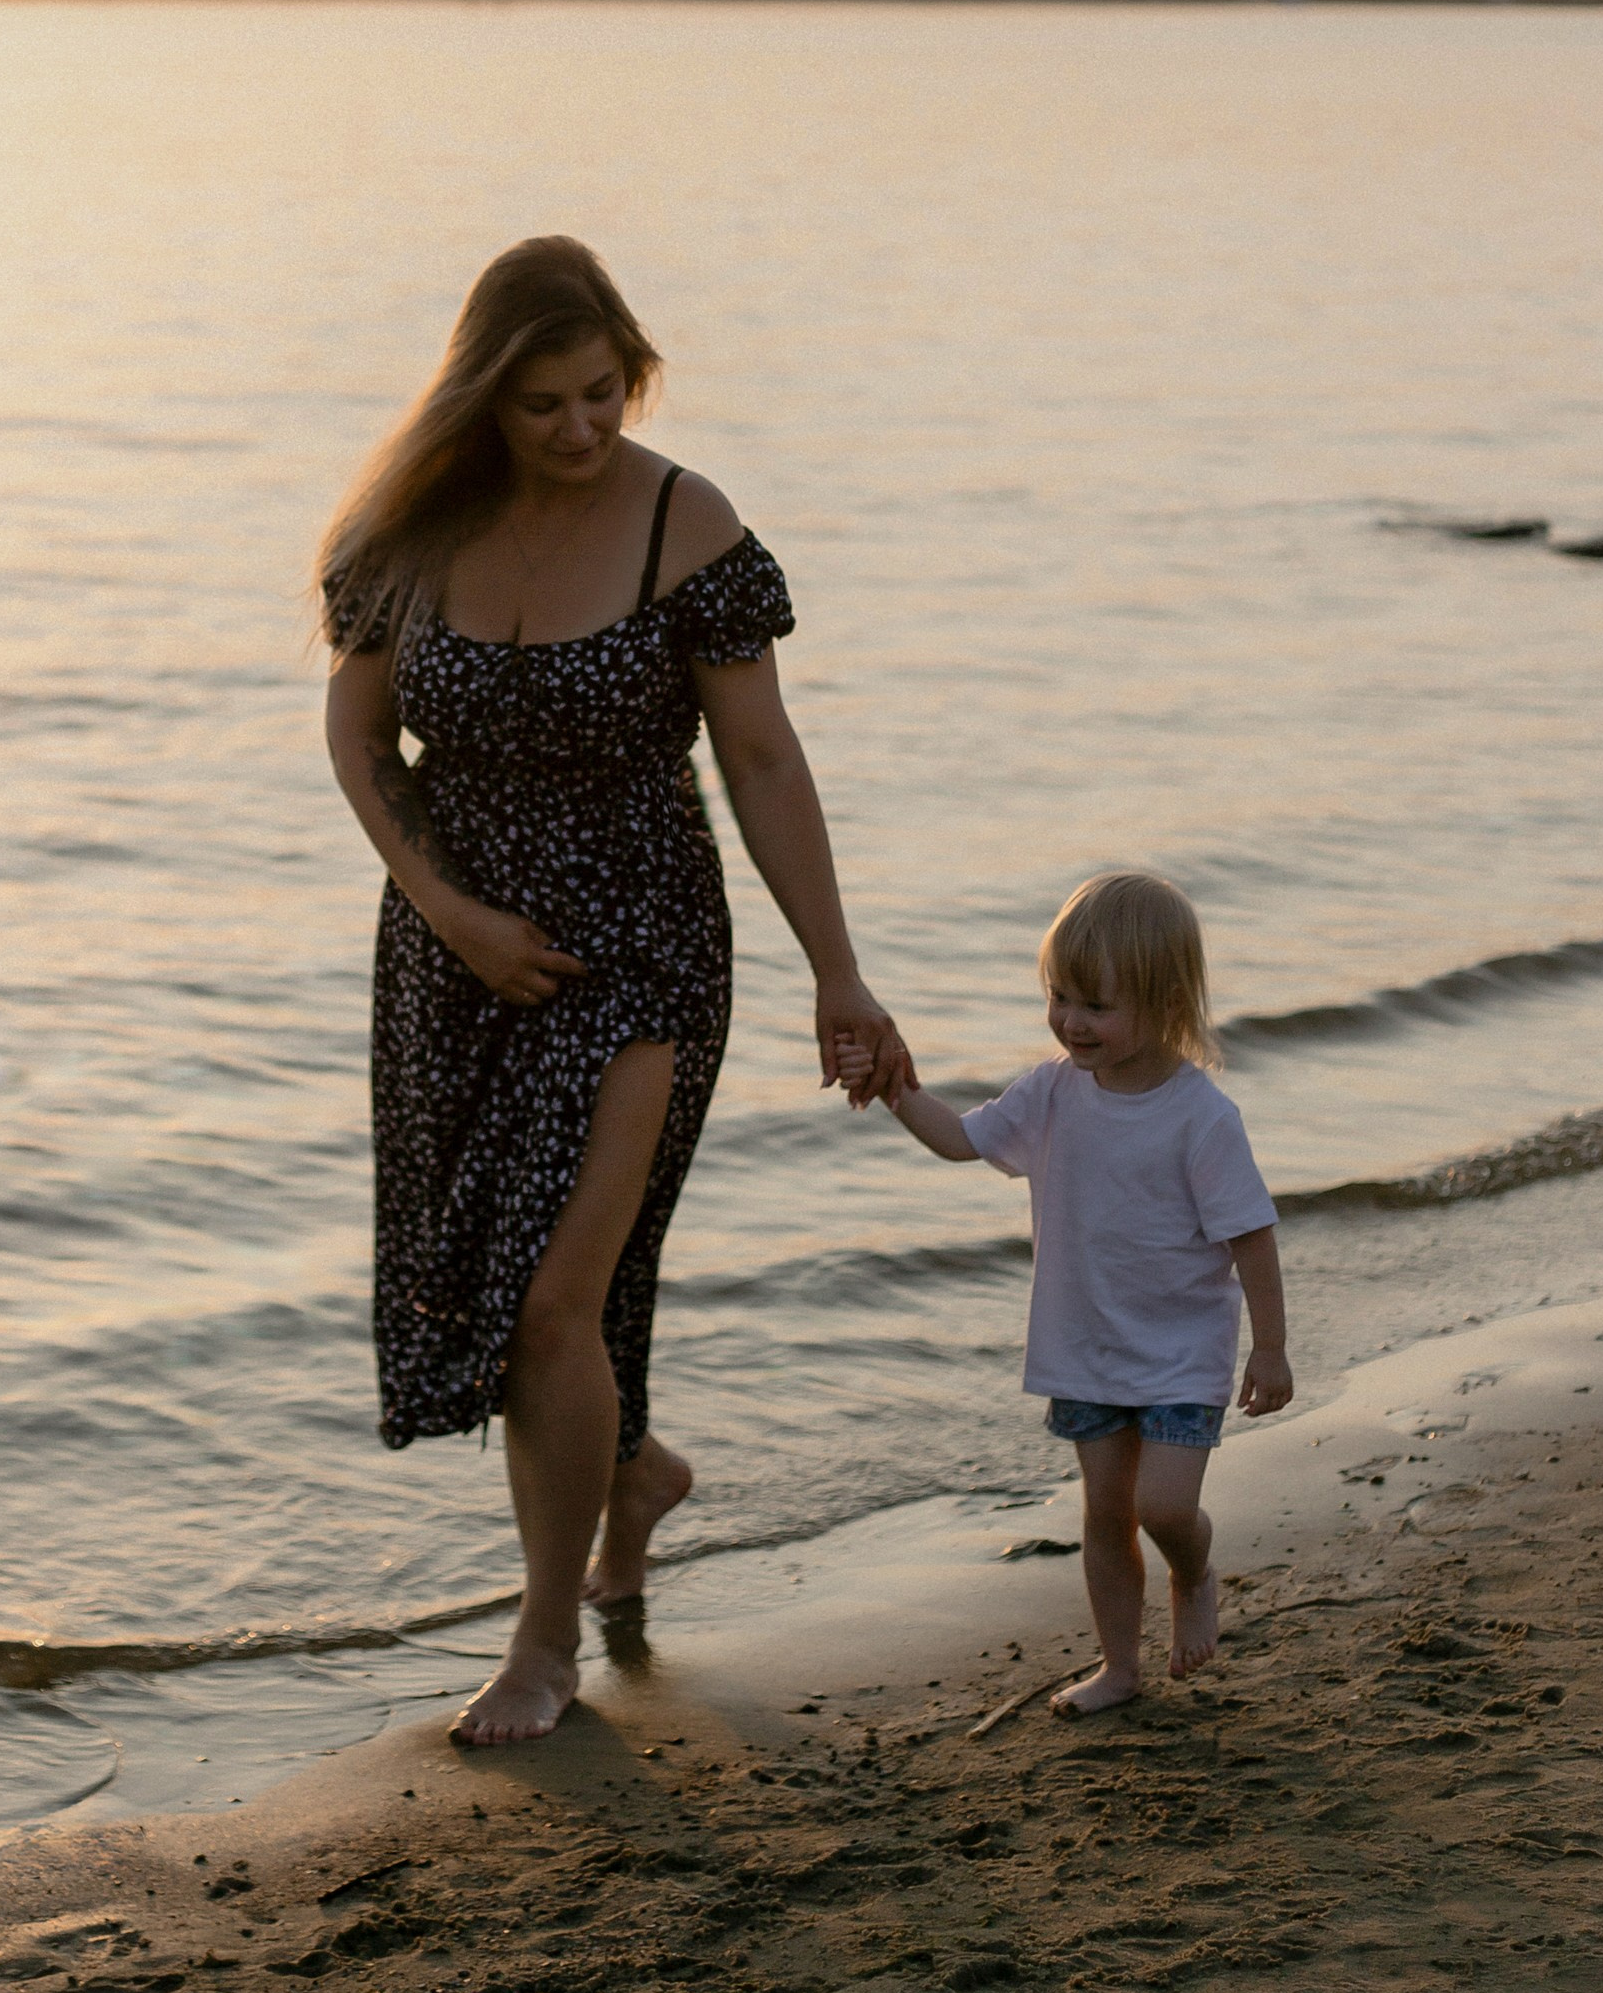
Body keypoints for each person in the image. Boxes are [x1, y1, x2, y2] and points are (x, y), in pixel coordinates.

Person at [321, 237, 911, 1745]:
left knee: (549, 1300)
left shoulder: (683, 521)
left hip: (642, 949)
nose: (580, 430)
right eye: (541, 406)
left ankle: (541, 1645)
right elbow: (357, 736)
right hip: (455, 964)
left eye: (602, 394)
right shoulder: (409, 527)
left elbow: (761, 759)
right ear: (480, 402)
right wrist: (449, 914)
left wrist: (836, 973)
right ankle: (632, 1471)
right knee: (523, 1295)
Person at [851, 868, 1290, 1715]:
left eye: (1095, 1005)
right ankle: (1119, 1668)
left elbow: (1252, 1235)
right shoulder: (1050, 1091)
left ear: (1164, 1004)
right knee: (1105, 1512)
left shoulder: (1202, 1117)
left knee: (1163, 1507)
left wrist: (1268, 1347)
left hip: (1179, 1351)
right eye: (1060, 996)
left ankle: (1194, 1570)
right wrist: (899, 1087)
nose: (1069, 1021)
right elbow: (959, 1141)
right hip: (1085, 1347)